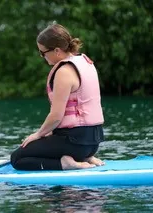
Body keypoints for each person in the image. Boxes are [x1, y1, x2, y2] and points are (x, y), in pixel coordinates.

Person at [10, 23, 105, 171]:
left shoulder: (64, 71)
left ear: (57, 50)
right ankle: (84, 157)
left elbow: (56, 116)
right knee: (43, 144)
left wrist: (38, 134)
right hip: (94, 142)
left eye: (43, 52)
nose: (42, 56)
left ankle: (65, 164)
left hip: (75, 143)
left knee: (17, 158)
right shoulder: (85, 63)